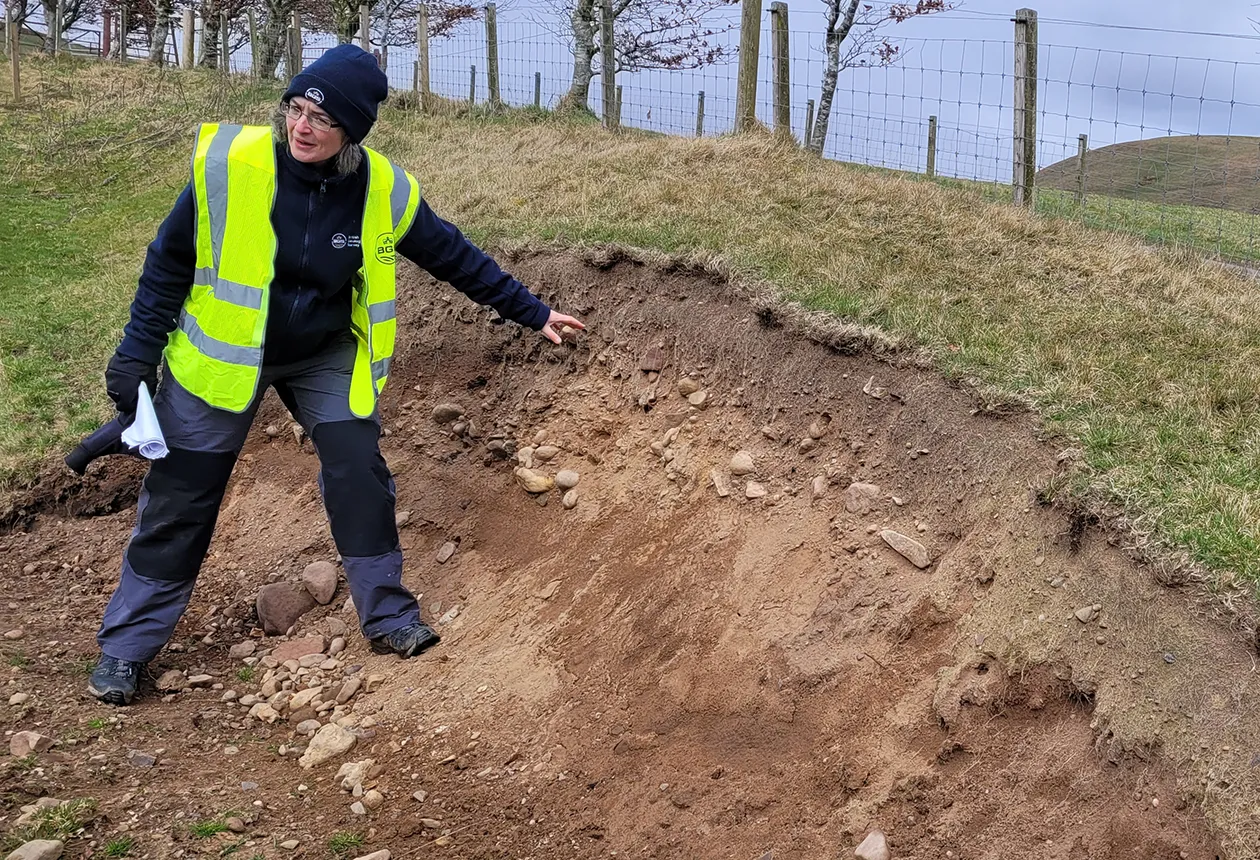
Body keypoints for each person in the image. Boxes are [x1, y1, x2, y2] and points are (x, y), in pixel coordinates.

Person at [88, 44, 584, 706]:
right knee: (182, 494)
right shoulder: (229, 170)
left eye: (321, 119)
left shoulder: (382, 189)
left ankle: (389, 618)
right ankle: (125, 649)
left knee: (358, 471)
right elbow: (167, 266)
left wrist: (531, 311)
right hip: (223, 356)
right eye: (295, 109)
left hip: (322, 352)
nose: (302, 127)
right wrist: (134, 354)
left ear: (351, 130)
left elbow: (454, 257)